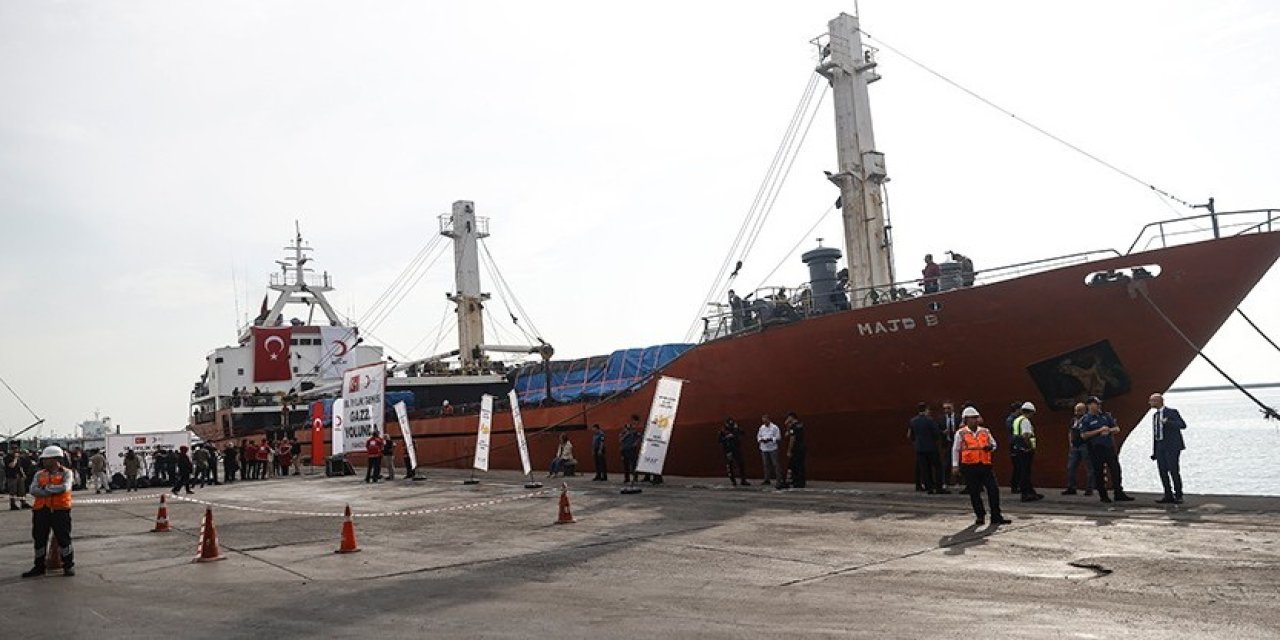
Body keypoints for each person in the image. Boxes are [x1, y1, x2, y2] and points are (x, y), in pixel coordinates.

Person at [951, 407, 1011, 527]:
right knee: (974, 492)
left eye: (976, 418)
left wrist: (990, 447)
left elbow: (994, 444)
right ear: (966, 420)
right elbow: (956, 449)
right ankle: (980, 515)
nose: (975, 420)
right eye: (972, 418)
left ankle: (996, 516)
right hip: (969, 466)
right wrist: (955, 465)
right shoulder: (961, 433)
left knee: (993, 490)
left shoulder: (985, 431)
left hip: (985, 465)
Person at [22, 446, 76, 577]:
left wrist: (45, 489)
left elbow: (65, 488)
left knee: (64, 538)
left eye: (46, 459)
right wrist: (52, 489)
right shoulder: (39, 474)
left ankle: (68, 565)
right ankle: (39, 566)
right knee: (39, 538)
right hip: (41, 510)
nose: (44, 461)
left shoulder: (67, 473)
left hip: (60, 511)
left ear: (55, 459)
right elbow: (33, 490)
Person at [1077, 396, 1133, 503]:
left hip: (1109, 447)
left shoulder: (1106, 416)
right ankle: (1103, 495)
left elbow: (1117, 428)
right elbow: (1084, 435)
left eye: (1099, 404)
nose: (1098, 406)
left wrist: (1109, 430)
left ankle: (1118, 493)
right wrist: (1099, 431)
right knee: (1099, 472)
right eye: (1096, 404)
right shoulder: (1085, 419)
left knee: (1115, 470)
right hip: (1095, 448)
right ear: (1089, 405)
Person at [1148, 393, 1187, 504]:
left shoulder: (1172, 412)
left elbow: (1182, 425)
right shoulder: (1155, 416)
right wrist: (1154, 451)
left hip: (1172, 446)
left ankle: (1178, 495)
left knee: (1173, 470)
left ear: (1159, 401)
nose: (1150, 403)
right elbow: (1156, 434)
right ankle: (1168, 494)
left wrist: (1168, 422)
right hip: (1160, 445)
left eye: (1152, 401)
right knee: (1162, 471)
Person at [908, 403, 944, 494]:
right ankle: (939, 487)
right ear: (926, 410)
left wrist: (916, 443)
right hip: (931, 447)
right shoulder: (930, 420)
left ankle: (929, 488)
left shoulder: (913, 421)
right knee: (938, 467)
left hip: (919, 448)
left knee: (925, 469)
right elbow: (936, 433)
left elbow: (911, 435)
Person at [1011, 402, 1043, 502]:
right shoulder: (1025, 421)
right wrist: (1029, 446)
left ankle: (1030, 492)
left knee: (1023, 471)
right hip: (1025, 450)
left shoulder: (1017, 420)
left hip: (1018, 448)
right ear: (1031, 412)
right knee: (1025, 472)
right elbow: (1026, 435)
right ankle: (1026, 494)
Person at [1062, 402, 1094, 496]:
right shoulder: (1073, 420)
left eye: (1079, 410)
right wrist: (1070, 443)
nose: (1076, 412)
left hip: (1085, 446)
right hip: (1075, 446)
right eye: (1075, 410)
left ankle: (1089, 489)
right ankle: (1071, 487)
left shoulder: (1088, 420)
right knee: (1071, 467)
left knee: (1089, 467)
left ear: (1084, 410)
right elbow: (1070, 431)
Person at [718, 418, 749, 486]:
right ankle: (733, 481)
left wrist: (737, 428)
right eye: (729, 424)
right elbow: (719, 440)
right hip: (728, 450)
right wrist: (727, 437)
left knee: (741, 464)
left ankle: (743, 480)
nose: (730, 426)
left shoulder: (735, 429)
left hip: (737, 449)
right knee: (730, 466)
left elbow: (743, 433)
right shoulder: (723, 430)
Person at [782, 412, 807, 489]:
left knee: (795, 465)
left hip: (796, 448)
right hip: (802, 447)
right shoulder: (800, 424)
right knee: (800, 465)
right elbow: (787, 434)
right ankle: (800, 481)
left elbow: (792, 438)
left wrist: (789, 450)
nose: (787, 419)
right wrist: (787, 426)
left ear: (791, 417)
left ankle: (797, 482)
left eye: (788, 417)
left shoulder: (794, 426)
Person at [757, 415, 782, 486]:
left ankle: (779, 480)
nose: (765, 422)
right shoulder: (761, 428)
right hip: (764, 448)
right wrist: (761, 440)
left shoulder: (775, 427)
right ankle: (767, 479)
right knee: (766, 465)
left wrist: (770, 439)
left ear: (769, 420)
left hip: (772, 448)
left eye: (766, 421)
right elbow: (758, 436)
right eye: (763, 421)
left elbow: (778, 437)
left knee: (775, 464)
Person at [938, 402, 959, 488]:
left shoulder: (958, 418)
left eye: (948, 408)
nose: (946, 410)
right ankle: (946, 482)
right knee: (946, 463)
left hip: (957, 443)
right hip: (947, 443)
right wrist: (942, 432)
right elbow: (937, 429)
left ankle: (957, 481)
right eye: (945, 408)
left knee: (958, 463)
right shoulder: (941, 419)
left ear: (952, 408)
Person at [620, 419, 642, 484]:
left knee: (633, 464)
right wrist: (626, 434)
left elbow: (640, 436)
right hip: (624, 450)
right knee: (626, 465)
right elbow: (620, 440)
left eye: (629, 429)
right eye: (627, 428)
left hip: (632, 450)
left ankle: (635, 478)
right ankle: (627, 478)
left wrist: (636, 442)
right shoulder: (622, 433)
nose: (628, 430)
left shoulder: (634, 433)